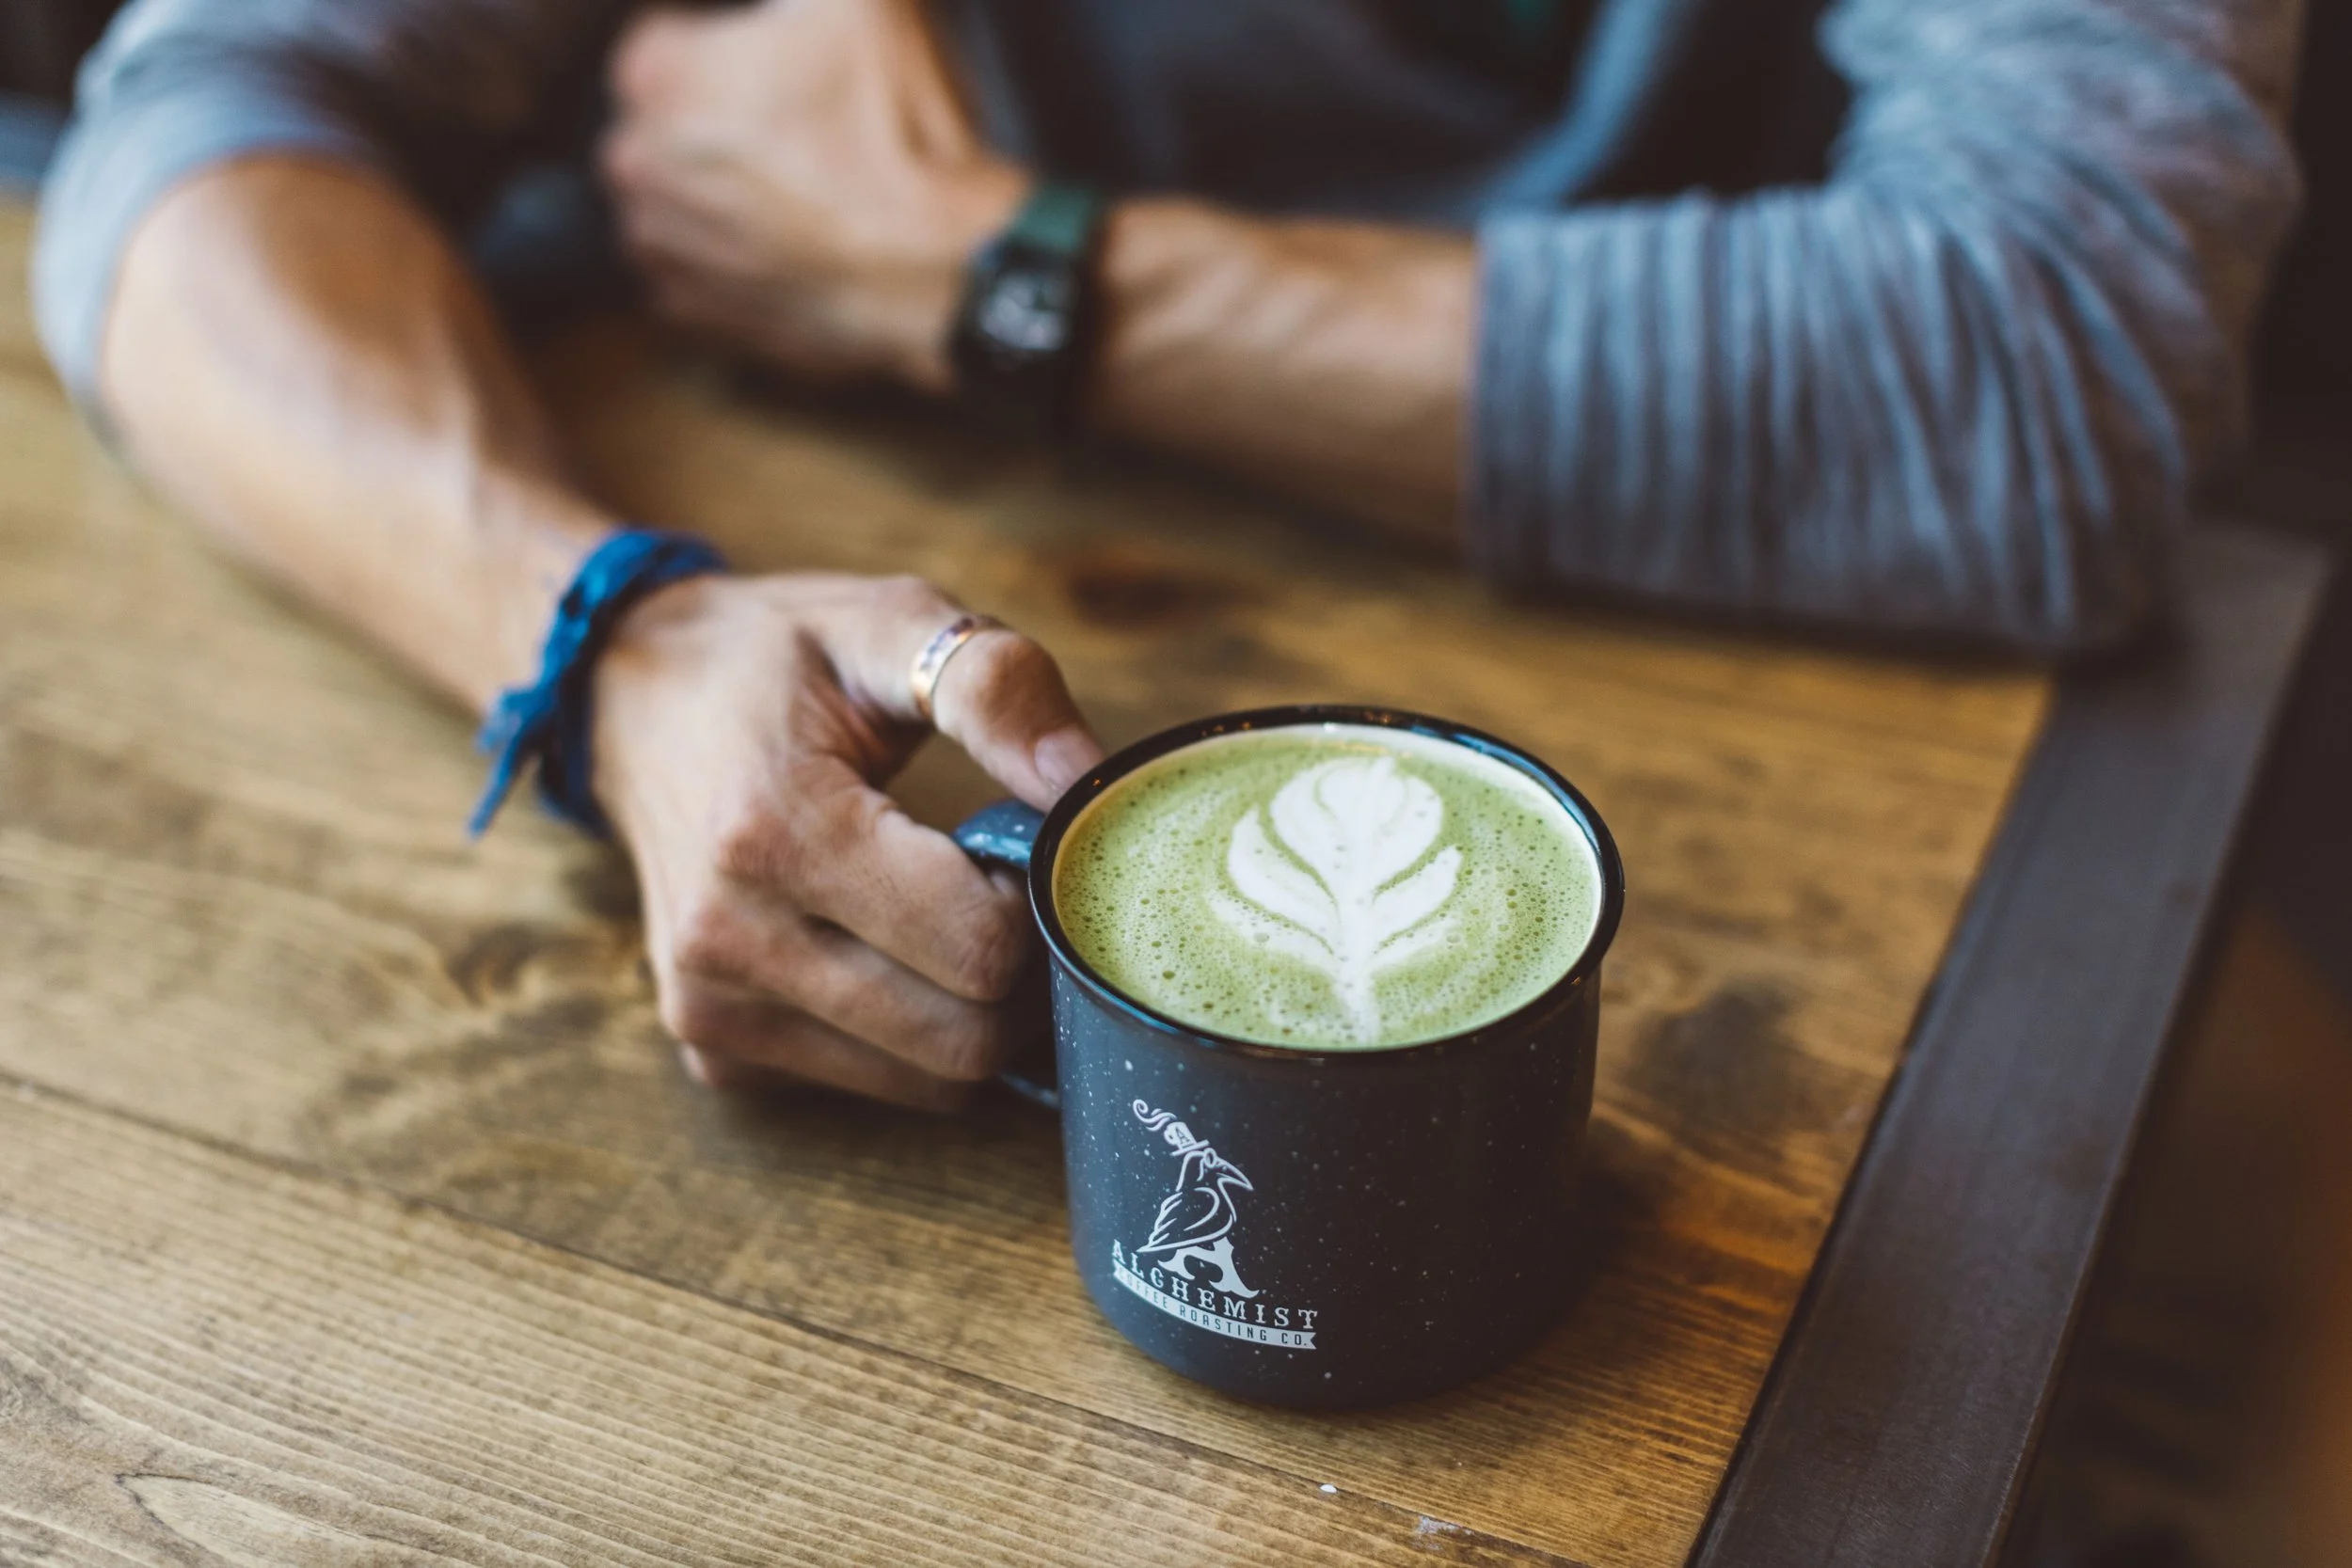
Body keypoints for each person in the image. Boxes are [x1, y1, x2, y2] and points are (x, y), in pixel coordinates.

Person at [31, 0, 2302, 1107]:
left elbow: (2069, 362)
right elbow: (210, 129)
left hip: (1816, 762)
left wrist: (997, 277)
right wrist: (612, 640)